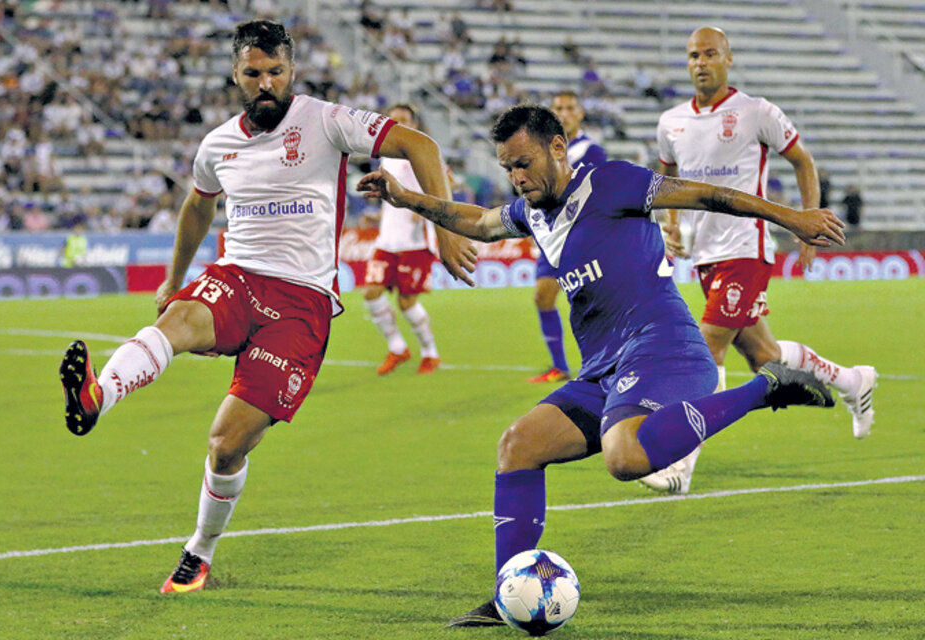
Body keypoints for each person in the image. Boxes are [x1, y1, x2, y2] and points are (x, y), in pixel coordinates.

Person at [356, 103, 843, 626]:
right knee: (518, 446)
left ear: (557, 148)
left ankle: (766, 387)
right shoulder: (533, 211)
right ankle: (507, 597)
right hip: (603, 368)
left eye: (523, 163)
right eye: (507, 169)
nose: (517, 178)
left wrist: (794, 217)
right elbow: (476, 221)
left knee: (625, 457)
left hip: (663, 347)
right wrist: (407, 199)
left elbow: (710, 194)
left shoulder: (612, 182)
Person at [59, 20, 476, 595]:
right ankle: (96, 399)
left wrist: (446, 224)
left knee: (226, 445)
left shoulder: (326, 120)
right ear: (236, 75)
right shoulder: (218, 145)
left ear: (291, 72)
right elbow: (197, 208)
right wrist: (173, 280)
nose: (265, 83)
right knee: (174, 320)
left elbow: (419, 144)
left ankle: (198, 552)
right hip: (237, 278)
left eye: (275, 72)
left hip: (301, 304)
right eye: (253, 73)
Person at [645, 27, 877, 494]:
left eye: (710, 53)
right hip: (707, 256)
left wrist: (805, 222)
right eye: (693, 55)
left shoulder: (755, 111)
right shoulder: (671, 122)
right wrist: (669, 225)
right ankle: (853, 380)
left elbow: (803, 161)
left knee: (704, 351)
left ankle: (679, 466)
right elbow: (664, 179)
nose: (700, 62)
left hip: (746, 249)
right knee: (762, 356)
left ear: (729, 58)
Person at [527, 90, 608, 384]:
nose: (564, 112)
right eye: (558, 107)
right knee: (543, 296)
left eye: (570, 107)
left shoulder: (591, 151)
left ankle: (607, 363)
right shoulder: (541, 150)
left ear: (580, 113)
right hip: (551, 236)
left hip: (582, 236)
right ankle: (559, 367)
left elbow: (596, 191)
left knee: (593, 304)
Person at [362, 103, 442, 375]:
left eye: (403, 120)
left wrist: (426, 206)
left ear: (414, 124)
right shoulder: (387, 157)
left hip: (415, 241)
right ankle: (397, 347)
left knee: (407, 302)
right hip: (388, 239)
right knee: (371, 292)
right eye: (393, 120)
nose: (398, 124)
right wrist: (378, 215)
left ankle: (430, 353)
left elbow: (447, 180)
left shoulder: (420, 150)